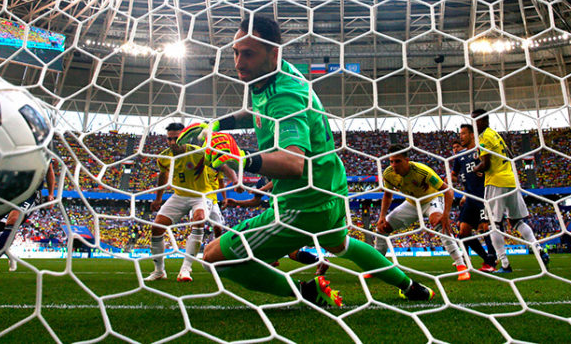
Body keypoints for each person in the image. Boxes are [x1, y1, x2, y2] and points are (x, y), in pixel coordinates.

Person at [177, 15, 435, 306]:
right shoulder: (277, 76)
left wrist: (240, 159)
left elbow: (292, 162)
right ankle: (412, 287)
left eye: (248, 54)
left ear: (272, 53)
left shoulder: (285, 96)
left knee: (213, 257)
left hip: (302, 206)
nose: (238, 62)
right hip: (329, 188)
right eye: (236, 52)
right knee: (342, 245)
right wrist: (217, 125)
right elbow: (256, 113)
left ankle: (307, 292)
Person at [146, 122, 236, 283]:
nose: (172, 143)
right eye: (169, 139)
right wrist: (158, 198)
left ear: (184, 137)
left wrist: (235, 179)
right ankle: (159, 271)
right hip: (179, 195)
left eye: (175, 138)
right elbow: (162, 176)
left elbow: (221, 166)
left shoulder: (198, 153)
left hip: (201, 195)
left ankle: (186, 269)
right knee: (157, 227)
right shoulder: (164, 157)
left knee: (199, 219)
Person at [471, 109, 550, 273]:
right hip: (511, 180)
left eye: (476, 120)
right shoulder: (495, 134)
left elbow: (486, 164)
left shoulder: (484, 137)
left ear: (484, 121)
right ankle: (540, 250)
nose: (474, 123)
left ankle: (505, 265)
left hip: (496, 182)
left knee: (493, 224)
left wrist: (475, 168)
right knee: (516, 221)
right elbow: (511, 155)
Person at [377, 144, 470, 281]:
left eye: (398, 161)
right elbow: (387, 195)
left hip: (431, 199)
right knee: (382, 228)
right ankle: (377, 267)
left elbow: (448, 191)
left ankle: (462, 267)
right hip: (412, 203)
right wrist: (382, 216)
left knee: (439, 222)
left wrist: (445, 215)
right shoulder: (388, 174)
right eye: (391, 161)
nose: (394, 165)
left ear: (407, 160)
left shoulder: (422, 171)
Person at [225, 177, 329, 276]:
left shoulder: (279, 171)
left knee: (262, 237)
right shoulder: (261, 181)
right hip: (278, 213)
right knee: (292, 254)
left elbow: (278, 180)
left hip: (290, 210)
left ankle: (270, 261)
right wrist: (237, 203)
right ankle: (319, 261)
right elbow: (255, 202)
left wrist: (262, 189)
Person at [451, 129, 497, 272]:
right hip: (470, 197)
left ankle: (492, 261)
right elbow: (453, 175)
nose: (461, 137)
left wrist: (481, 168)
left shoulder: (480, 150)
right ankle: (485, 258)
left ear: (472, 135)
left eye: (464, 134)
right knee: (463, 231)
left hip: (484, 195)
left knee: (485, 227)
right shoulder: (459, 156)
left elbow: (489, 165)